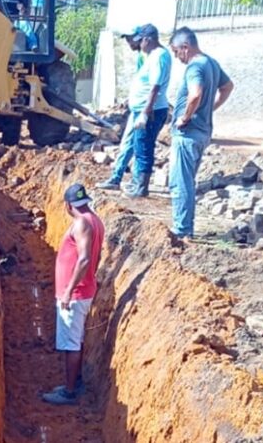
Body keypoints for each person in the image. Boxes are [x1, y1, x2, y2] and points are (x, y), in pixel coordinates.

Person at [168, 27, 234, 238]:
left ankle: (182, 230)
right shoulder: (212, 63)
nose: (177, 58)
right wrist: (210, 109)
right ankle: (184, 228)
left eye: (176, 52)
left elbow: (195, 94)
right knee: (187, 180)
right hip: (202, 131)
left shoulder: (195, 66)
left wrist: (185, 117)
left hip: (188, 133)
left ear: (185, 48)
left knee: (180, 182)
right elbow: (228, 87)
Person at [42, 183, 105, 406]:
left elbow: (85, 258)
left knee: (71, 342)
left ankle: (69, 392)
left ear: (68, 206)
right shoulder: (95, 220)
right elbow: (94, 259)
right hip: (82, 290)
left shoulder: (81, 224)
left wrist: (68, 291)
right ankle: (74, 382)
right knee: (75, 339)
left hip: (76, 294)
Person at [123, 24, 171, 197]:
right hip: (145, 109)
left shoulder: (159, 56)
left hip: (151, 112)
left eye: (140, 41)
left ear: (148, 39)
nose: (138, 45)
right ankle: (137, 184)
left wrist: (145, 112)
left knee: (144, 147)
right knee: (139, 146)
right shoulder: (152, 55)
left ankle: (141, 188)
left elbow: (155, 86)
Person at [97, 27, 144, 190]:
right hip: (138, 108)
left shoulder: (152, 57)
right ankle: (119, 178)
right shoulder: (142, 56)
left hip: (144, 110)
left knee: (139, 145)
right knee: (130, 143)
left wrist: (145, 109)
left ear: (139, 38)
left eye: (130, 39)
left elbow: (153, 86)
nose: (128, 42)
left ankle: (135, 183)